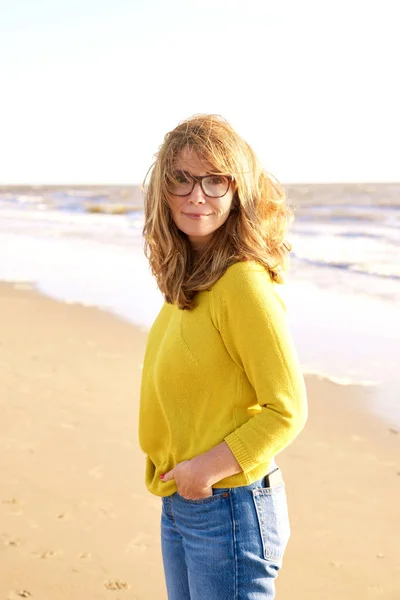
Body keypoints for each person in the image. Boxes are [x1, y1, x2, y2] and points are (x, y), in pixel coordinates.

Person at [139, 113, 308, 600]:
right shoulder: (189, 281)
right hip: (186, 502)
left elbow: (286, 409)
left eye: (216, 180)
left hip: (228, 506)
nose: (197, 195)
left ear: (239, 191)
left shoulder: (242, 282)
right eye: (182, 179)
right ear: (162, 189)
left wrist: (203, 471)